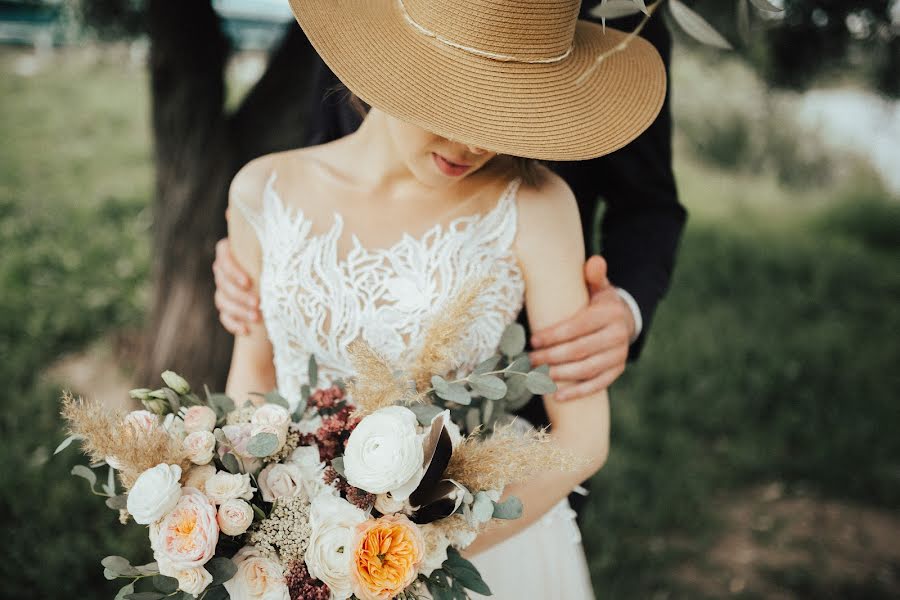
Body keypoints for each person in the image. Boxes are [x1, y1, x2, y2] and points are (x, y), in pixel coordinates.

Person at [224, 0, 669, 597]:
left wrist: (405, 560)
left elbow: (582, 440)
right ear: (389, 65)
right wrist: (248, 511)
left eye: (501, 109)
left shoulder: (538, 209)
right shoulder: (264, 189)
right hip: (293, 550)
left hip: (469, 554)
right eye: (449, 101)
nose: (472, 141)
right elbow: (251, 379)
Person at [214, 4, 686, 410]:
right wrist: (280, 260)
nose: (476, 140)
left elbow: (648, 202)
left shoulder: (619, 22)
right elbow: (329, 143)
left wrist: (624, 308)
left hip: (520, 390)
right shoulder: (376, 30)